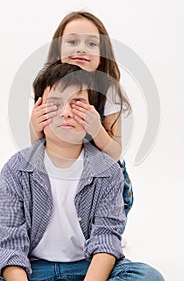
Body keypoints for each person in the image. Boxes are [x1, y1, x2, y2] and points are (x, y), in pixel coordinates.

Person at [0, 62, 164, 281]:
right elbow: (9, 244)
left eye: (77, 103)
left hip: (90, 267)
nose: (67, 113)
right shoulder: (16, 169)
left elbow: (106, 239)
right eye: (55, 104)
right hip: (34, 269)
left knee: (147, 276)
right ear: (38, 111)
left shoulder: (107, 171)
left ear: (93, 115)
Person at [30, 11, 133, 217]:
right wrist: (34, 126)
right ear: (58, 48)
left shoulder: (108, 90)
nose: (81, 49)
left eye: (91, 44)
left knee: (103, 220)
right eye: (72, 41)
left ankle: (105, 234)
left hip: (101, 179)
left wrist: (96, 130)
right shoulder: (49, 85)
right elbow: (36, 146)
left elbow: (115, 153)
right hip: (62, 173)